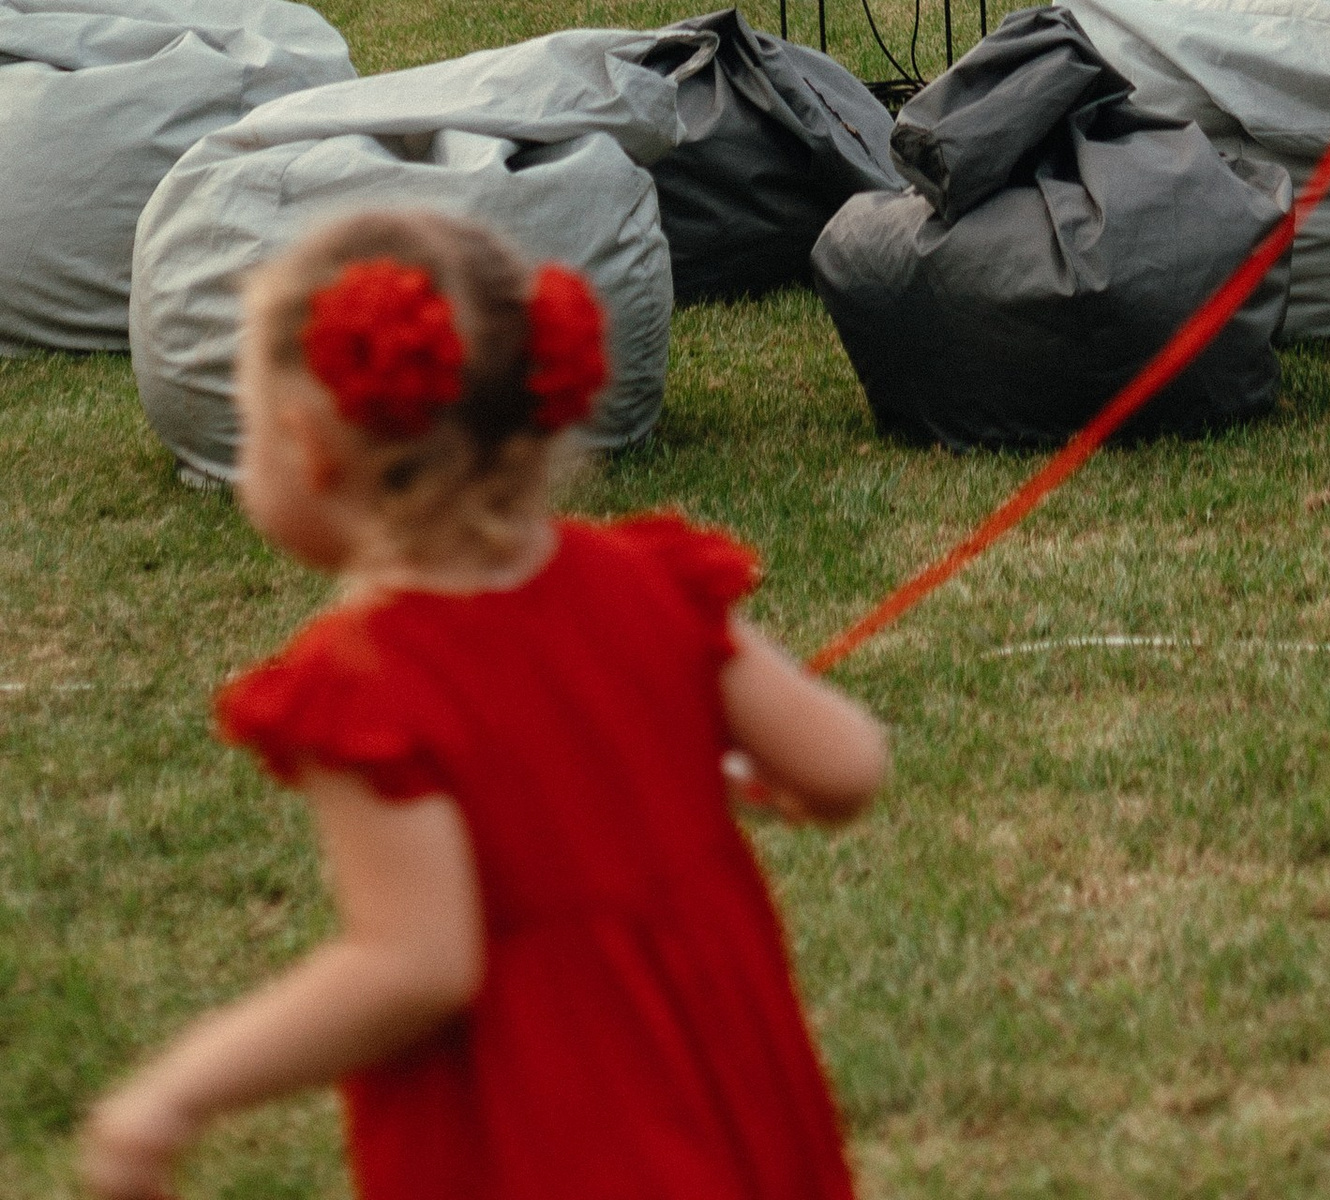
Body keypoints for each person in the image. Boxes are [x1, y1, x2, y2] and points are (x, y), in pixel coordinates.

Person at [78, 204, 886, 1200]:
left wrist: (183, 1086)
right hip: (726, 1086)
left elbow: (417, 965)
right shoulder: (654, 579)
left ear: (307, 446)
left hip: (543, 1121)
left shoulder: (368, 687)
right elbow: (845, 767)